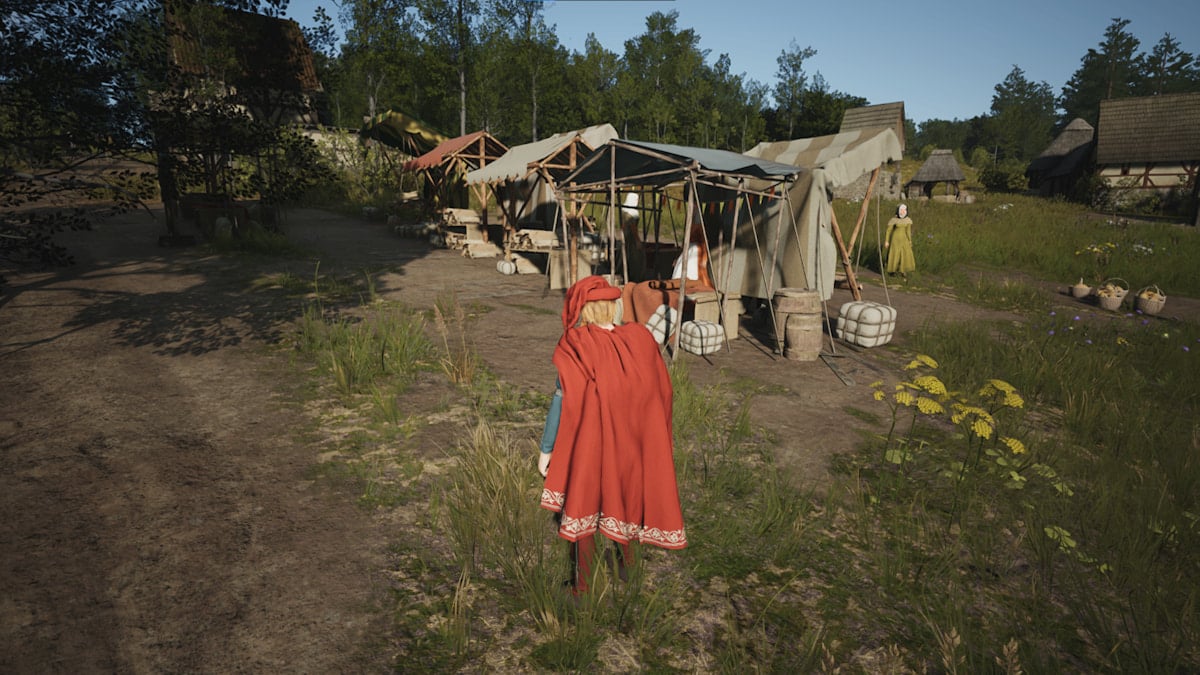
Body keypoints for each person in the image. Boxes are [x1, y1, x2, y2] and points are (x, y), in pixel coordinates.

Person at [537, 276, 686, 594]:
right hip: (634, 441)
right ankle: (628, 567)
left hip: (593, 444)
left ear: (582, 309)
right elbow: (660, 389)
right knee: (627, 497)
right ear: (612, 305)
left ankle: (581, 588)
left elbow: (561, 398)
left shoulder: (577, 343)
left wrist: (546, 449)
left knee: (583, 504)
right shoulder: (639, 338)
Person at [884, 203, 916, 279]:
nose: (902, 211)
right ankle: (892, 270)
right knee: (895, 254)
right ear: (898, 210)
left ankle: (903, 271)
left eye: (904, 210)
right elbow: (888, 230)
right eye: (901, 210)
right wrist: (886, 241)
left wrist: (909, 240)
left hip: (904, 240)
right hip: (895, 240)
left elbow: (908, 231)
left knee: (905, 254)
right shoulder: (894, 220)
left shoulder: (908, 220)